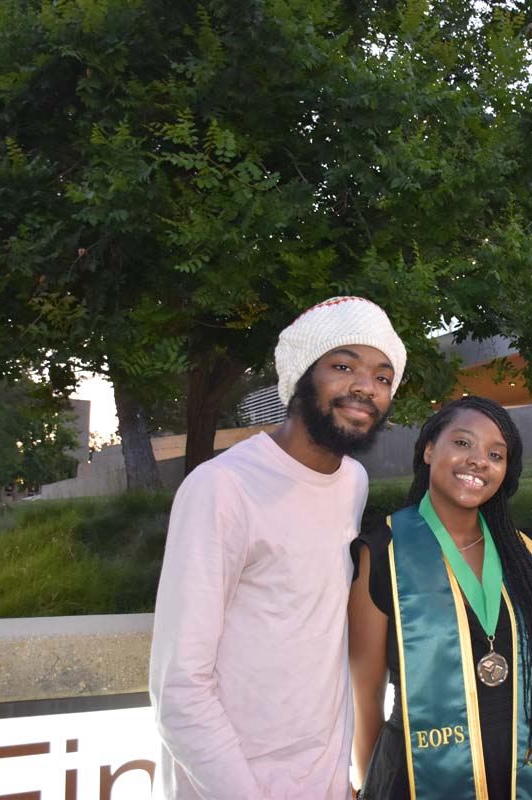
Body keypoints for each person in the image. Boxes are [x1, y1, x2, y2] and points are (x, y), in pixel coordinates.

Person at [149, 296, 407, 799]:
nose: (365, 386)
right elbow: (178, 689)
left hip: (326, 780)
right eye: (343, 366)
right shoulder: (222, 487)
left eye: (383, 376)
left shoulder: (352, 481)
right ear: (300, 375)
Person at [348, 396, 532, 799]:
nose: (479, 461)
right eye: (463, 443)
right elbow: (365, 696)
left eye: (495, 454)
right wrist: (367, 785)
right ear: (429, 450)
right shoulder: (384, 553)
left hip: (521, 774)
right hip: (415, 775)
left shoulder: (526, 558)